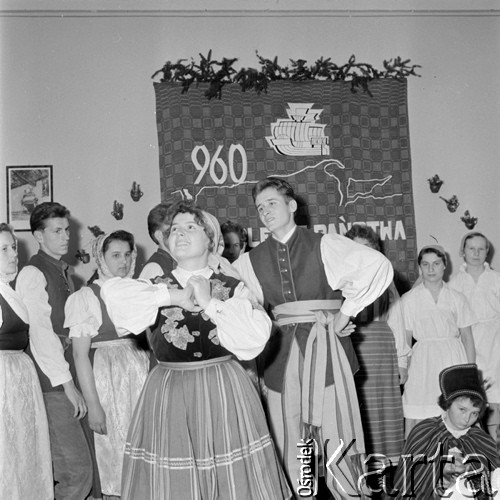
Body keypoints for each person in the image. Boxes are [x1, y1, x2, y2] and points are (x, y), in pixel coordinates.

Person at [101, 200, 292, 500]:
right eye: (174, 229)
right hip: (170, 390)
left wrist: (209, 303)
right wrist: (173, 295)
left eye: (191, 227)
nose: (181, 233)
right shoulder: (154, 286)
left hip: (224, 388)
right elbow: (113, 296)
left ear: (210, 240)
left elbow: (254, 337)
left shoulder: (232, 287)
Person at [233, 177, 394, 499]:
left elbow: (376, 266)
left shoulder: (325, 244)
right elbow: (234, 301)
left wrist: (344, 315)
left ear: (292, 206)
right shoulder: (249, 261)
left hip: (328, 354)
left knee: (337, 437)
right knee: (290, 440)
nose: (266, 212)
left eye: (272, 203)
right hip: (280, 359)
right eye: (260, 208)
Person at [15, 202, 94, 500]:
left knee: (75, 471)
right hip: (52, 384)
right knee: (74, 472)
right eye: (57, 231)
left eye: (67, 230)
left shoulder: (65, 273)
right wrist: (68, 385)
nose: (65, 237)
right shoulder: (33, 274)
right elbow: (41, 334)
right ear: (38, 235)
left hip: (66, 378)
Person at [66, 230, 150, 497]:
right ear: (101, 258)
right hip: (108, 380)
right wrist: (94, 406)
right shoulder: (86, 297)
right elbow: (80, 356)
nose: (123, 262)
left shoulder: (139, 291)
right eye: (115, 255)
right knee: (115, 451)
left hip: (140, 376)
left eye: (127, 255)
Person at [345, 224, 408, 464]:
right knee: (355, 412)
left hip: (382, 354)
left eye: (368, 248)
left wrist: (402, 361)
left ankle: (384, 475)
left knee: (381, 412)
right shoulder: (339, 280)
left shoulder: (386, 279)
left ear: (376, 251)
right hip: (351, 349)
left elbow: (398, 321)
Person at [0, 223, 53, 499]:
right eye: (4, 249)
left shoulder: (9, 289)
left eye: (13, 247)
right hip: (3, 381)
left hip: (18, 376)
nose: (13, 254)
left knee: (22, 451)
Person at [393, 363, 499, 499]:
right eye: (462, 409)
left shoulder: (481, 439)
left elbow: (491, 484)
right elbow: (410, 482)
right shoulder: (425, 431)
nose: (467, 418)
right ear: (447, 404)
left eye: (475, 413)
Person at [401, 245, 476, 436]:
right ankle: (419, 462)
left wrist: (470, 372)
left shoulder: (457, 298)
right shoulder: (408, 299)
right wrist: (404, 367)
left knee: (455, 409)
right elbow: (406, 340)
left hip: (452, 359)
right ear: (420, 268)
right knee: (420, 408)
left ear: (445, 265)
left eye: (436, 263)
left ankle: (458, 461)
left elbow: (467, 338)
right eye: (425, 264)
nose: (431, 269)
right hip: (422, 361)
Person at [449, 232, 500, 447]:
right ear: (463, 251)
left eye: (481, 249)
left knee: (495, 399)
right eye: (472, 248)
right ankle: (477, 450)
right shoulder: (454, 282)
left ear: (487, 252)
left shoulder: (496, 279)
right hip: (467, 344)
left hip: (495, 343)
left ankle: (496, 451)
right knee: (472, 399)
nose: (477, 253)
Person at [139, 202, 175, 280]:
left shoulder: (178, 262)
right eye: (173, 230)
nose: (180, 234)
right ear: (159, 235)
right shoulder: (154, 267)